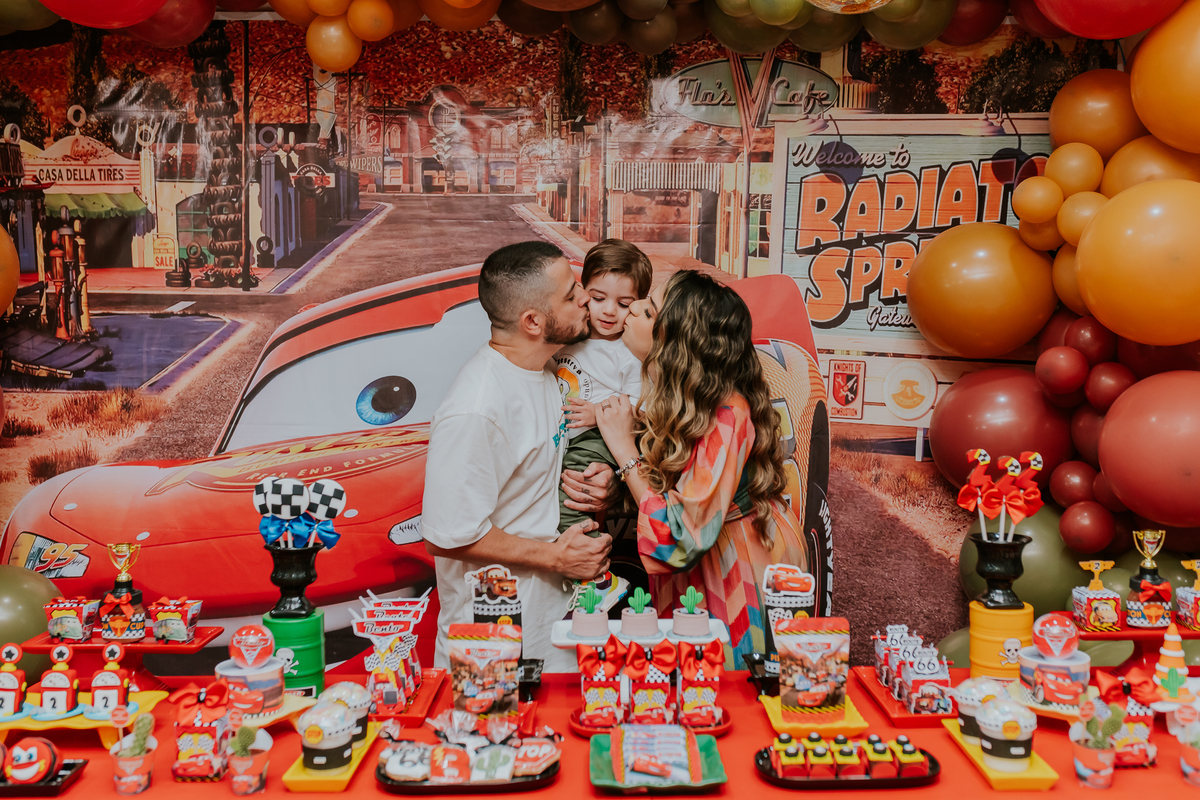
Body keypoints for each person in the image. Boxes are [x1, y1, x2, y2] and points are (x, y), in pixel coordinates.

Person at [595, 269, 810, 663]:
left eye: (650, 311)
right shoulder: (684, 399)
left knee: (723, 680)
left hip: (734, 565)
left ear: (676, 344)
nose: (634, 307)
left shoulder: (728, 417)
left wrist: (624, 452)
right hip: (705, 560)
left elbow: (681, 539)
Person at [422, 241, 616, 672]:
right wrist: (556, 558)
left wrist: (601, 483)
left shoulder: (544, 371)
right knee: (492, 721)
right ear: (533, 321)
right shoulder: (475, 410)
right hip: (490, 643)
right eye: (571, 295)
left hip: (552, 626)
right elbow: (447, 535)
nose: (585, 299)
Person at [550, 240, 652, 612]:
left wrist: (598, 413)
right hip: (562, 437)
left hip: (598, 437)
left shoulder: (628, 351)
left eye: (624, 304)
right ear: (582, 292)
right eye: (598, 298)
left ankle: (597, 579)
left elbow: (641, 404)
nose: (609, 311)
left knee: (572, 496)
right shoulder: (569, 334)